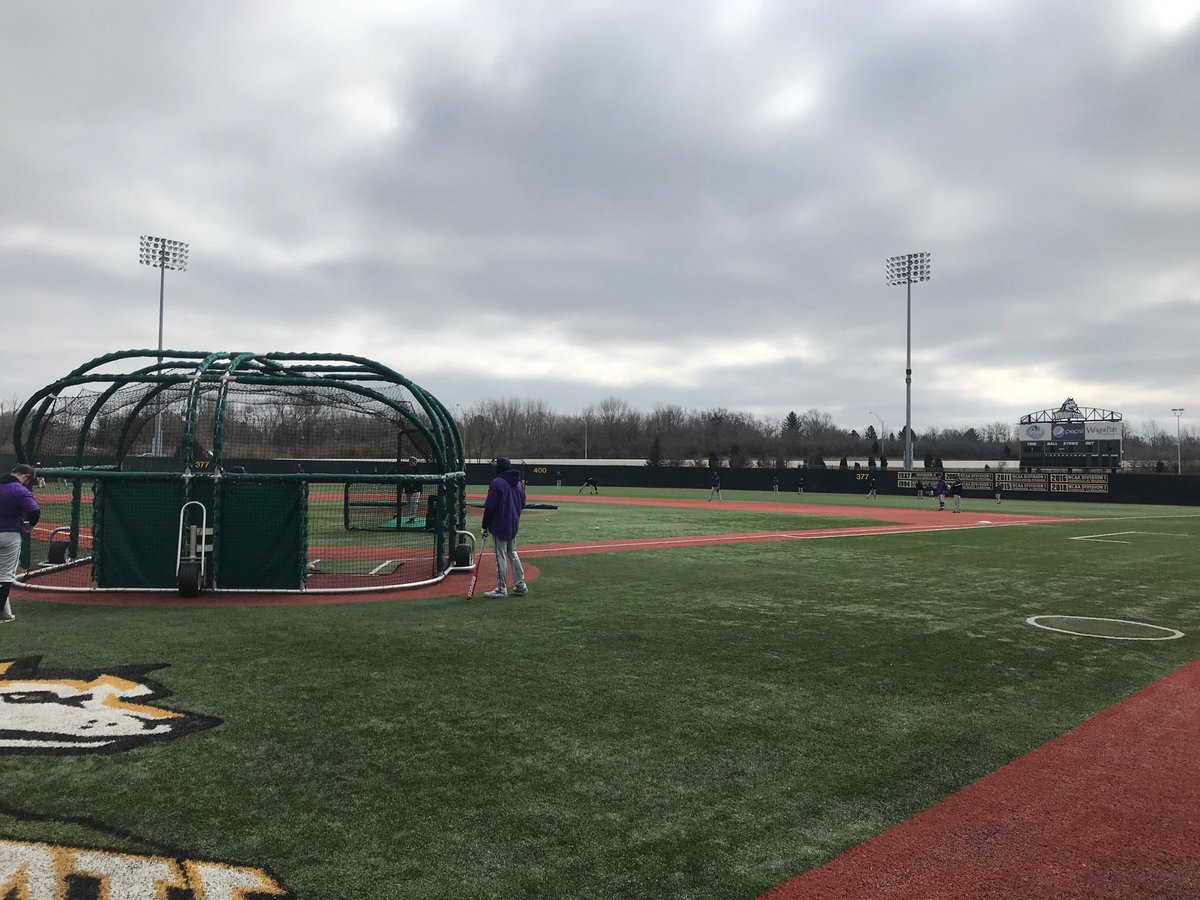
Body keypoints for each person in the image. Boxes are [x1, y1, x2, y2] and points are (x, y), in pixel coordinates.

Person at [481, 457, 527, 599]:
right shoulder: (519, 484)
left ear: (499, 467)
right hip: (513, 523)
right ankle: (520, 584)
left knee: (500, 555)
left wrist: (484, 525)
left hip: (500, 524)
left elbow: (490, 507)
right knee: (512, 552)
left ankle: (501, 589)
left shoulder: (497, 483)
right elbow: (522, 504)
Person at [0, 464, 41, 623]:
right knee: (6, 575)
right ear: (25, 476)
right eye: (29, 481)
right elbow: (34, 511)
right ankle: (1, 613)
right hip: (10, 535)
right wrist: (29, 526)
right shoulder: (19, 490)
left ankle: (3, 612)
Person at [404, 456, 422, 523]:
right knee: (409, 503)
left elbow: (419, 481)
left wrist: (414, 485)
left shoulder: (418, 469)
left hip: (416, 490)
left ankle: (412, 518)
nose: (411, 462)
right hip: (408, 490)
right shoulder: (407, 469)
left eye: (413, 461)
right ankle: (410, 517)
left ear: (415, 462)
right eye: (410, 461)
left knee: (413, 503)